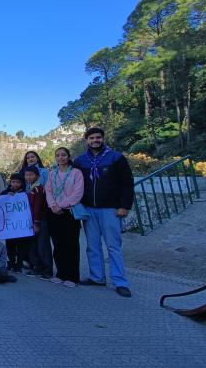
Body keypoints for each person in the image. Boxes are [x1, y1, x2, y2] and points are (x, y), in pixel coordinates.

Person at [75, 127, 134, 297]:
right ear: (87, 140)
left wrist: (124, 206)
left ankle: (120, 282)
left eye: (98, 137)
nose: (95, 140)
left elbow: (127, 183)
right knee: (92, 246)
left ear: (103, 138)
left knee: (113, 246)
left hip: (110, 209)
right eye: (92, 138)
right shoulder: (80, 161)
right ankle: (97, 277)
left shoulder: (116, 157)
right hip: (89, 209)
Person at [45, 147, 84, 287]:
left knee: (71, 244)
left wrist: (61, 205)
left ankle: (72, 276)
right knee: (58, 244)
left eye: (63, 155)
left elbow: (77, 193)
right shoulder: (52, 173)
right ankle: (61, 273)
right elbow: (48, 190)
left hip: (69, 212)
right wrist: (53, 205)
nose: (60, 157)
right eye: (58, 155)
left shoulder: (76, 173)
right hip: (54, 212)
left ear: (68, 157)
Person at [24, 166, 53, 281]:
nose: (28, 177)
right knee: (33, 245)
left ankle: (47, 270)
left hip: (40, 221)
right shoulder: (30, 188)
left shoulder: (39, 188)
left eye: (31, 175)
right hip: (31, 221)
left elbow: (38, 207)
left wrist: (36, 223)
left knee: (42, 246)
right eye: (27, 175)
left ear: (38, 176)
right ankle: (37, 267)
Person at [1, 173, 28, 273]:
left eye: (18, 182)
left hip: (21, 225)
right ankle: (11, 262)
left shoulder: (25, 193)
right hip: (10, 225)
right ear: (10, 182)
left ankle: (19, 264)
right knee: (10, 245)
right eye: (13, 182)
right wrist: (7, 196)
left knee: (21, 245)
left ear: (22, 183)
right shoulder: (5, 192)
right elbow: (0, 203)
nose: (15, 184)